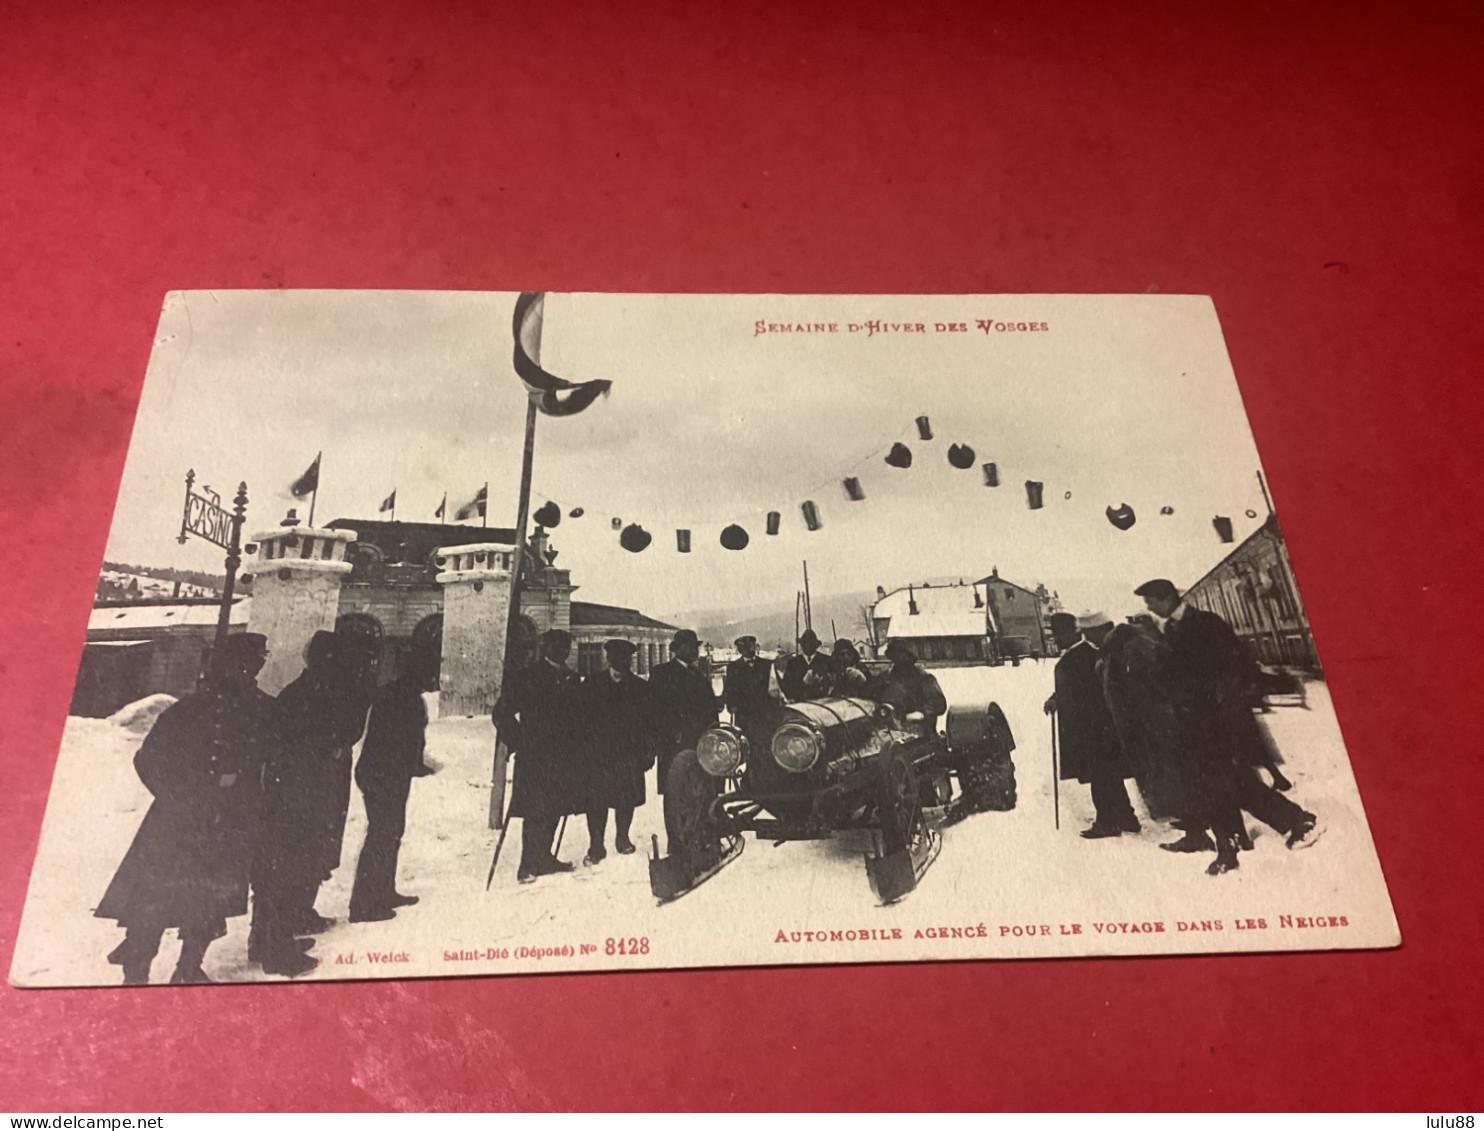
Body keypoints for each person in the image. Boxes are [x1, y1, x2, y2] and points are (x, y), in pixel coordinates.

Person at [97, 633, 278, 985]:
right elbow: (148, 759)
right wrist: (182, 796)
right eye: (250, 661)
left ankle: (187, 969)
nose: (254, 667)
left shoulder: (260, 709)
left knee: (205, 900)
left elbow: (278, 758)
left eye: (258, 660)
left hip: (224, 821)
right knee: (154, 900)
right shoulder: (191, 710)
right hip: (182, 822)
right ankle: (137, 975)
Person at [1135, 579, 1320, 875]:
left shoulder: (1206, 624)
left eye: (1152, 602)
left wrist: (1228, 714)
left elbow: (1234, 666)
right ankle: (1235, 842)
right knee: (1217, 785)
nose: (1150, 608)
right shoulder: (1165, 631)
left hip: (1219, 721)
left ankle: (1293, 822)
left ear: (1168, 598)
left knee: (1229, 784)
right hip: (1192, 723)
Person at [251, 630, 372, 975]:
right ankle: (275, 942)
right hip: (302, 792)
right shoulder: (316, 695)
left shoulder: (306, 691)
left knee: (303, 859)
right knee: (292, 862)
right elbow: (343, 733)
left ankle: (282, 929)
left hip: (304, 789)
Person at [348, 647, 437, 922]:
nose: (433, 679)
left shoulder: (409, 696)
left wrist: (415, 765)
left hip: (393, 775)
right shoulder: (394, 697)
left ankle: (384, 891)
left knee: (391, 832)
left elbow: (412, 739)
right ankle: (362, 905)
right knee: (381, 835)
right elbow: (391, 741)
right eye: (429, 672)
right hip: (381, 775)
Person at [491, 628, 585, 883]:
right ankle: (527, 865)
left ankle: (545, 858)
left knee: (556, 806)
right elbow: (501, 713)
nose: (563, 652)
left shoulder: (572, 679)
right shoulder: (526, 677)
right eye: (557, 647)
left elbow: (580, 719)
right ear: (546, 649)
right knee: (534, 810)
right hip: (535, 757)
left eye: (566, 647)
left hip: (563, 757)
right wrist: (519, 740)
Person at [1044, 612, 1140, 839]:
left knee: (1099, 778)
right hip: (1101, 728)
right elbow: (1076, 688)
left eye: (1058, 635)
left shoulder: (1078, 658)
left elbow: (1088, 693)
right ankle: (1127, 817)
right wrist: (1056, 698)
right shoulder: (1089, 654)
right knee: (1110, 775)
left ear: (1072, 633)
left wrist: (1066, 704)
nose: (1055, 640)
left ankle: (1107, 822)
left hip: (1091, 730)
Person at [577, 639, 656, 864]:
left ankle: (622, 838)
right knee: (596, 801)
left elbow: (650, 723)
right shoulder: (592, 685)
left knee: (626, 798)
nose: (622, 662)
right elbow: (579, 720)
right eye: (617, 658)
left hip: (629, 755)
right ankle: (596, 845)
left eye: (626, 658)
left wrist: (649, 752)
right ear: (609, 659)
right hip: (598, 754)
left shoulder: (640, 687)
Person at [649, 628, 721, 793]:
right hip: (674, 741)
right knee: (676, 789)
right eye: (690, 647)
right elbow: (654, 709)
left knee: (702, 787)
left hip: (700, 740)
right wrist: (667, 733)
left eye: (696, 647)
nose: (695, 651)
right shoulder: (662, 673)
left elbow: (709, 707)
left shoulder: (698, 675)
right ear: (678, 649)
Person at [723, 635, 779, 749]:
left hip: (765, 713)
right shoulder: (733, 667)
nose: (750, 649)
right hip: (744, 714)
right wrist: (731, 705)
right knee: (748, 746)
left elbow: (775, 687)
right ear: (740, 650)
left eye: (752, 646)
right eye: (746, 647)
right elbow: (729, 689)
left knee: (767, 744)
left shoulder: (767, 665)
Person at [879, 640, 947, 734]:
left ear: (909, 657)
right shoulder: (886, 678)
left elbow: (939, 704)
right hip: (890, 731)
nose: (899, 659)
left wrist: (921, 713)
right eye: (895, 655)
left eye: (903, 655)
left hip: (920, 731)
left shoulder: (923, 678)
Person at [781, 629, 834, 701]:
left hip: (823, 705)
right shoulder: (793, 664)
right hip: (800, 706)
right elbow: (787, 688)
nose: (808, 646)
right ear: (801, 645)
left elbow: (833, 685)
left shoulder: (827, 661)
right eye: (805, 643)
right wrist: (803, 683)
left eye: (811, 644)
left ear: (816, 645)